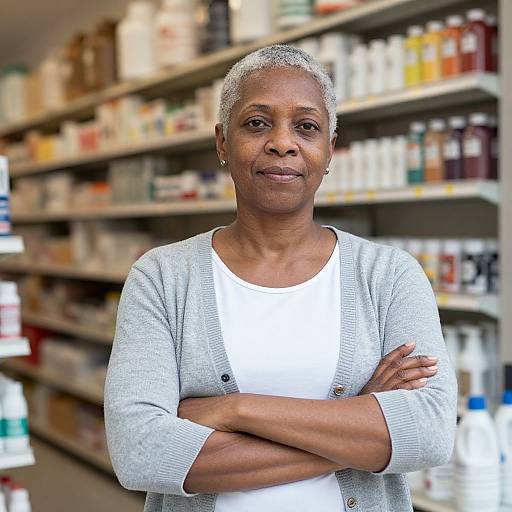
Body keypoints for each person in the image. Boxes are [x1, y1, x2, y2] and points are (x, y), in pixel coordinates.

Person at [104, 45, 457, 512]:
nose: (283, 143)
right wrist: (357, 422)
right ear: (222, 142)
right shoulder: (162, 278)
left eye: (306, 126)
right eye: (257, 122)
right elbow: (140, 453)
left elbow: (429, 434)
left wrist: (235, 409)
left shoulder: (389, 276)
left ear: (329, 149)